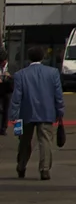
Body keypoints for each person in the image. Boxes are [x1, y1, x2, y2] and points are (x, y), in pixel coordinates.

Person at [10, 47, 63, 179]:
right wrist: (60, 111)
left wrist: (14, 115)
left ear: (29, 57)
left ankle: (21, 166)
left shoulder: (20, 74)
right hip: (47, 111)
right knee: (45, 140)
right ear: (43, 57)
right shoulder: (53, 72)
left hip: (26, 112)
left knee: (24, 141)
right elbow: (58, 94)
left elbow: (17, 97)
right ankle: (44, 169)